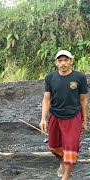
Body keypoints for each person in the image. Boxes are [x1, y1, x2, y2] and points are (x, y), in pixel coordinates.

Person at [39, 50, 88, 180]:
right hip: (55, 116)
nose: (63, 63)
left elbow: (83, 100)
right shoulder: (50, 78)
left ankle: (65, 177)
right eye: (60, 61)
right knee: (54, 146)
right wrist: (43, 119)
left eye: (66, 60)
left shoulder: (80, 77)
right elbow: (47, 99)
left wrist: (84, 121)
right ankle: (62, 162)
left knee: (71, 150)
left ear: (71, 61)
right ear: (56, 63)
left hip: (73, 117)